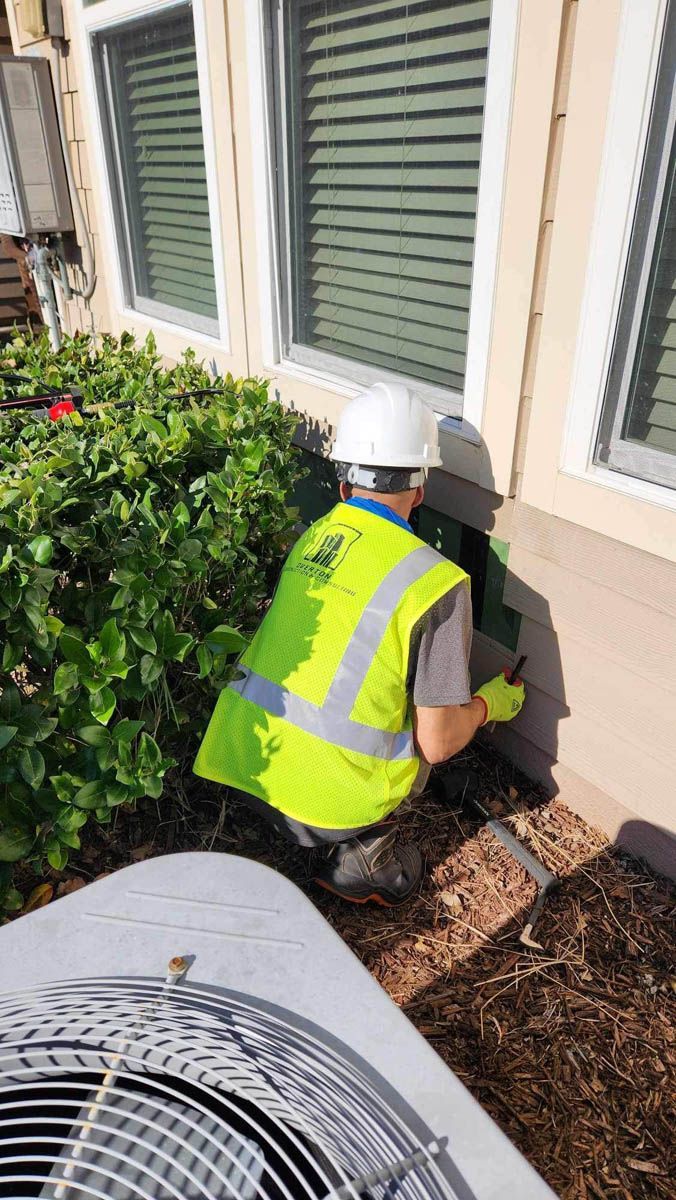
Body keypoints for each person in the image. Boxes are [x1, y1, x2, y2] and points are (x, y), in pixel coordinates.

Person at [194, 382, 525, 905]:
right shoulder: (438, 585)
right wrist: (490, 704)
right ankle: (364, 859)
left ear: (344, 482)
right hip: (329, 804)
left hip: (249, 767)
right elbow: (437, 744)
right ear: (420, 490)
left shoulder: (317, 533)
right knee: (420, 742)